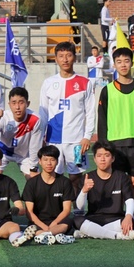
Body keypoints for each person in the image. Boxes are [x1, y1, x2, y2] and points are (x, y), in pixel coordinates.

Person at [97, 47, 134, 235]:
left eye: (126, 61)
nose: (123, 64)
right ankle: (119, 217)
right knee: (118, 184)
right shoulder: (107, 90)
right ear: (114, 64)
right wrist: (104, 146)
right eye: (119, 61)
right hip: (115, 144)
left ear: (132, 63)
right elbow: (102, 119)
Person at [39, 41, 94, 193]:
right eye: (61, 56)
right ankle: (55, 213)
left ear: (74, 58)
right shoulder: (48, 83)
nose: (65, 59)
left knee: (76, 178)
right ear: (55, 58)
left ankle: (78, 212)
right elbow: (43, 112)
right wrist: (41, 137)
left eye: (68, 55)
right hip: (53, 139)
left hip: (76, 141)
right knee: (53, 177)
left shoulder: (84, 83)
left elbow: (90, 112)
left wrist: (87, 136)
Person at [73, 141, 134, 240]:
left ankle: (90, 232)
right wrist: (84, 191)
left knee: (131, 222)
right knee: (77, 220)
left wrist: (128, 216)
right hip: (93, 218)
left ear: (113, 158)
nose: (102, 159)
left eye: (106, 155)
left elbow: (129, 200)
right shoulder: (87, 177)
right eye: (99, 156)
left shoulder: (121, 177)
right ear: (94, 159)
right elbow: (80, 207)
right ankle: (116, 236)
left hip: (115, 219)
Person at [0, 87, 42, 179]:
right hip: (2, 152)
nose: (17, 107)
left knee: (34, 181)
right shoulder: (3, 117)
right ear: (9, 104)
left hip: (23, 155)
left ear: (28, 104)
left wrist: (33, 168)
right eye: (14, 103)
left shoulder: (35, 119)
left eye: (21, 102)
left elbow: (35, 146)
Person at [22, 145, 75, 245]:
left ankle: (45, 236)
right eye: (45, 160)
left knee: (65, 224)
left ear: (57, 161)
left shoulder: (65, 182)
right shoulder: (31, 183)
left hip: (58, 221)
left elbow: (67, 210)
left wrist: (54, 224)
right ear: (40, 161)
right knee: (35, 229)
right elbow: (29, 212)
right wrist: (43, 225)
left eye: (52, 160)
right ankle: (55, 236)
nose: (49, 163)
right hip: (38, 221)